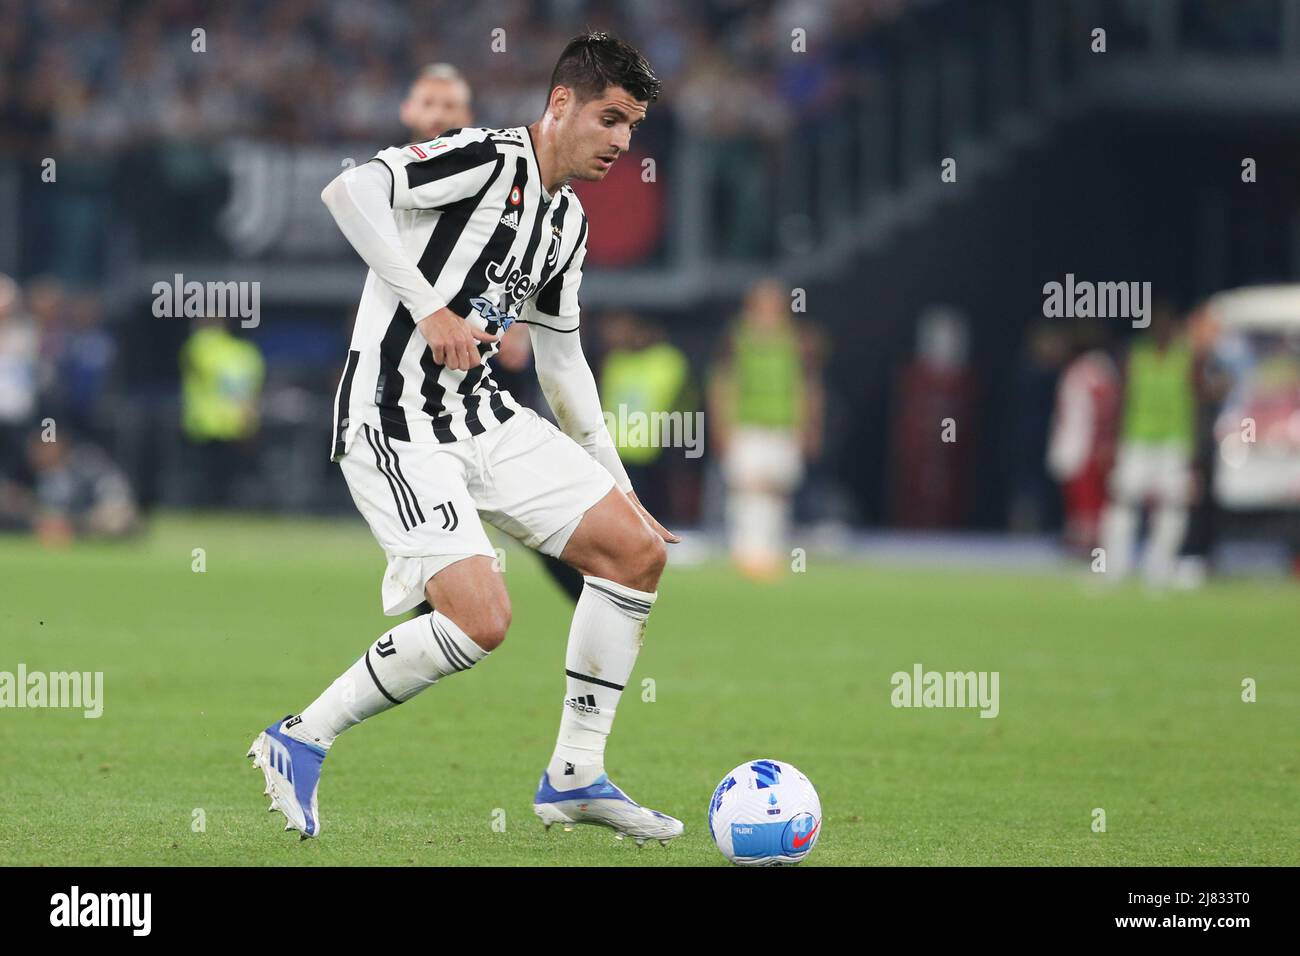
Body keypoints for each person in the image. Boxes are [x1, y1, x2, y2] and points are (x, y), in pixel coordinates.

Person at [247, 33, 683, 846]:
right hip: (392, 420)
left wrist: (617, 481)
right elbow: (348, 193)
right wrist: (427, 308)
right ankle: (298, 738)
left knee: (636, 551)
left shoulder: (567, 223)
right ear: (561, 105)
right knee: (482, 620)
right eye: (611, 118)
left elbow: (561, 360)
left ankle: (576, 776)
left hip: (479, 416)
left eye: (634, 126)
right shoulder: (484, 157)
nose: (623, 142)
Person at [399, 61, 584, 607]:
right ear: (407, 111)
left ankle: (598, 597)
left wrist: (520, 327)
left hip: (484, 375)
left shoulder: (490, 173)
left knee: (532, 522)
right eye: (427, 103)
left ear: (467, 118)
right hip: (408, 386)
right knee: (440, 531)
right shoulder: (391, 183)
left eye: (449, 106)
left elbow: (533, 263)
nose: (437, 115)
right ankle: (435, 626)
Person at [710, 279, 822, 578]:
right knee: (747, 488)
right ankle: (745, 551)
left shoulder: (796, 341)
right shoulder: (738, 339)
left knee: (777, 489)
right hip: (747, 425)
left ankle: (771, 550)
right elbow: (724, 383)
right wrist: (722, 424)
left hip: (783, 426)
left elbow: (805, 385)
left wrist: (809, 423)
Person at [1099, 305, 1196, 584]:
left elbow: (1196, 401)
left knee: (1173, 505)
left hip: (1174, 441)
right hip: (1137, 439)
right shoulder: (1135, 355)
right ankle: (1113, 567)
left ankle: (1160, 568)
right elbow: (1121, 400)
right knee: (1123, 501)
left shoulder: (1185, 358)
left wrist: (1194, 449)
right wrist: (1111, 441)